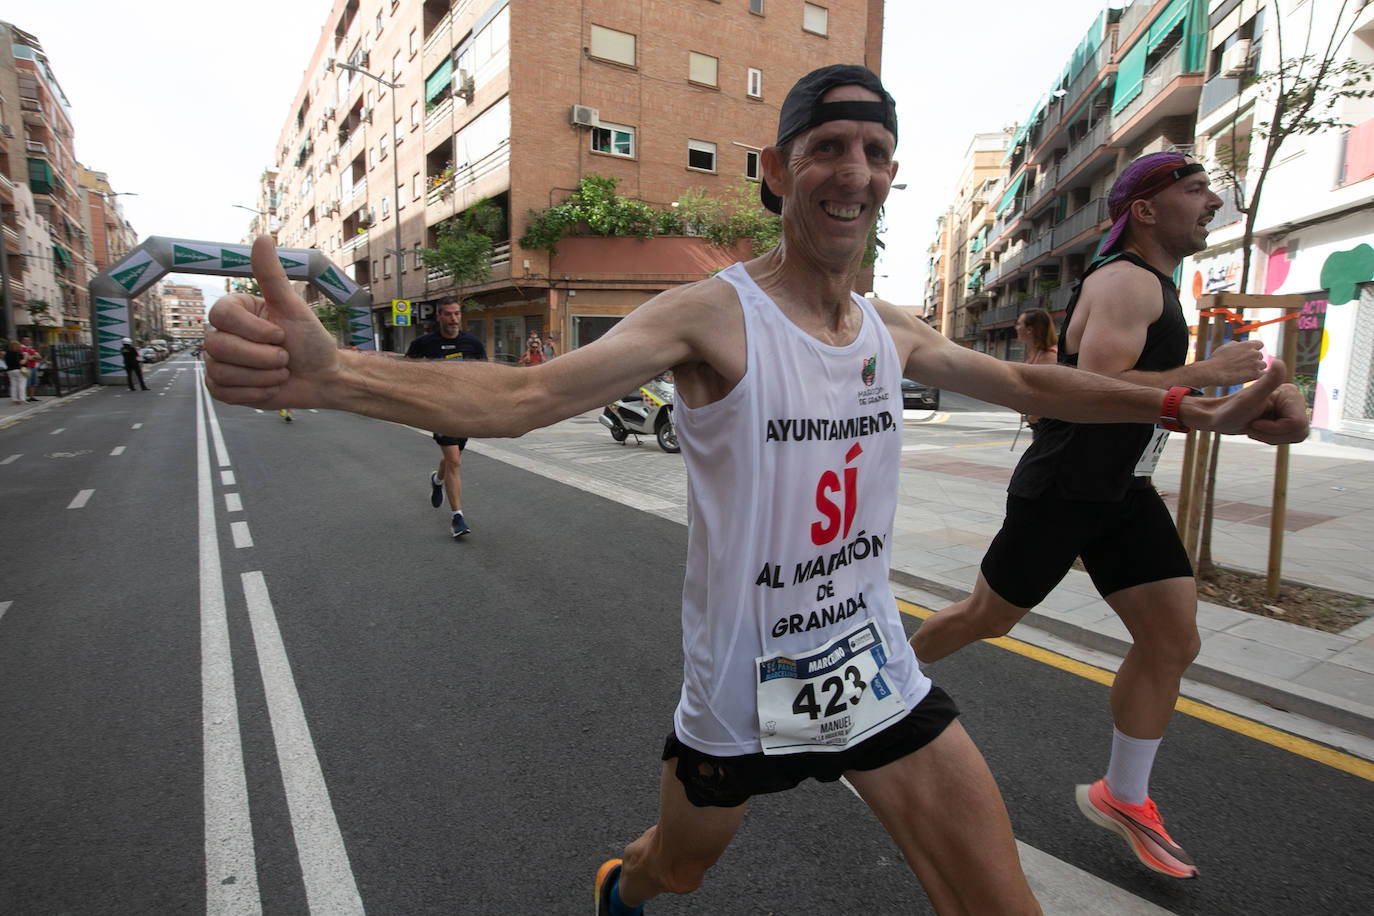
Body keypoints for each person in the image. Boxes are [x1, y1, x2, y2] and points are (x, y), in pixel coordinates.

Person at [204, 69, 1306, 914]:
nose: (855, 172)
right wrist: (336, 375)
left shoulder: (889, 329)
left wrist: (1180, 403)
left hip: (870, 664)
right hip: (741, 683)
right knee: (676, 868)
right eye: (828, 147)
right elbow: (528, 397)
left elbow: (1029, 383)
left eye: (876, 152)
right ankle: (623, 889)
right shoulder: (712, 316)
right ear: (777, 171)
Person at [911, 151, 1278, 881]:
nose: (1211, 202)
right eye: (1196, 189)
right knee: (987, 617)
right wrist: (1206, 378)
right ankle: (878, 682)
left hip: (1124, 489)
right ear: (1145, 210)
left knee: (1172, 639)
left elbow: (1152, 404)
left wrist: (1251, 410)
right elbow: (1095, 390)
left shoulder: (1156, 285)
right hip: (1067, 485)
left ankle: (1124, 795)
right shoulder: (1124, 281)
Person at [404, 299, 486, 538]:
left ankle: (437, 480)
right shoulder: (423, 343)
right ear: (439, 316)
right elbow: (404, 372)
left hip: (465, 410)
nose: (453, 319)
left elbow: (486, 375)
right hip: (439, 409)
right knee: (454, 461)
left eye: (457, 314)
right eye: (448, 314)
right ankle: (457, 518)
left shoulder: (472, 343)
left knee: (453, 459)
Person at [1015, 309, 1058, 437]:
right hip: (1039, 424)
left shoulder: (1049, 357)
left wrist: (1033, 416)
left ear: (1029, 329)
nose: (1016, 328)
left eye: (1019, 324)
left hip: (1049, 427)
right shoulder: (1034, 354)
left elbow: (1051, 395)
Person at [20, 336, 40, 402]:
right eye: (25, 340)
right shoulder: (22, 348)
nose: (27, 341)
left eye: (28, 340)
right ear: (22, 341)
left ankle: (32, 396)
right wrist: (33, 357)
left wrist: (32, 357)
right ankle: (25, 397)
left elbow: (39, 357)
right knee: (27, 382)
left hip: (33, 366)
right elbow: (29, 358)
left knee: (33, 382)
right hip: (26, 367)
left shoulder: (31, 348)